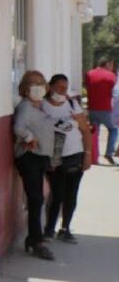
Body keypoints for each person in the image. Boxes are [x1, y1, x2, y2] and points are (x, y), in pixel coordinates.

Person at [41, 74, 92, 243]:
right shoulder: (42, 106)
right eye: (59, 87)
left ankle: (65, 228)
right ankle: (49, 229)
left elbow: (85, 130)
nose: (63, 91)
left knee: (71, 193)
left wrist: (87, 154)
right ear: (50, 87)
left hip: (75, 153)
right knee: (57, 193)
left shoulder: (72, 104)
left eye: (65, 88)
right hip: (54, 155)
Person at [12, 70, 55, 260]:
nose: (37, 87)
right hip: (29, 157)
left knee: (38, 197)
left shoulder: (42, 106)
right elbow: (18, 127)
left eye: (41, 83)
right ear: (25, 87)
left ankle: (34, 238)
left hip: (41, 157)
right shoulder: (25, 107)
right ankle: (36, 241)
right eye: (32, 83)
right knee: (36, 198)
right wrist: (30, 137)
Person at [85, 58, 116, 164]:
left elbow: (87, 86)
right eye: (111, 65)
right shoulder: (111, 76)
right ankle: (109, 153)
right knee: (113, 129)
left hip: (92, 108)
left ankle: (94, 157)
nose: (112, 68)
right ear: (108, 64)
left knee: (95, 133)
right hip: (106, 109)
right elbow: (114, 93)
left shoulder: (89, 73)